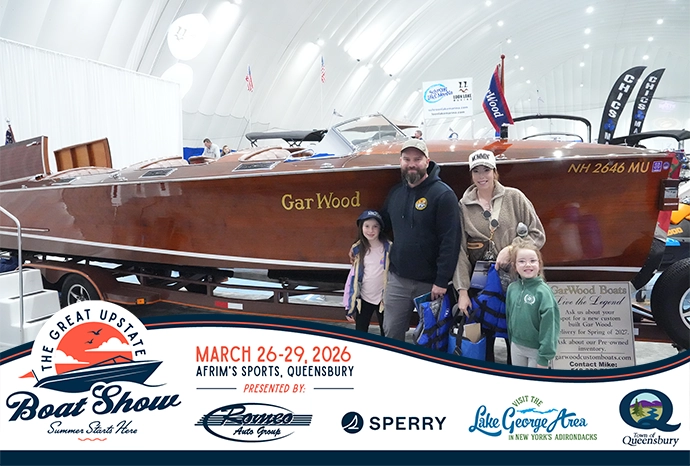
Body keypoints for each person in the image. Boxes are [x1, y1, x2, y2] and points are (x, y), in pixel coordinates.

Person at [452, 149, 546, 362]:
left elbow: (537, 234)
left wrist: (512, 250)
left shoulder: (515, 197)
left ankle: (516, 377)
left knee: (517, 337)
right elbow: (460, 251)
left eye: (486, 170)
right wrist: (462, 292)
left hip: (515, 281)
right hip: (479, 285)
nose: (481, 176)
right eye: (476, 171)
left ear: (495, 171)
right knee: (481, 340)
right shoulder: (463, 206)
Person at [380, 138, 461, 341]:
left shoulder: (443, 194)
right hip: (398, 280)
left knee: (433, 339)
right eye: (407, 159)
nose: (412, 164)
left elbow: (450, 241)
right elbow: (382, 224)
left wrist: (441, 280)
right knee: (391, 334)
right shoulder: (395, 193)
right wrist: (360, 240)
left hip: (431, 284)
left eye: (417, 159)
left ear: (427, 161)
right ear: (400, 162)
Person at [505, 238, 560, 368]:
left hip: (536, 350)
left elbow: (550, 327)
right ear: (514, 266)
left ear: (539, 264)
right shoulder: (512, 288)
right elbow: (509, 317)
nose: (527, 265)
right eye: (521, 261)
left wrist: (544, 357)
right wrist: (512, 340)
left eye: (532, 261)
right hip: (516, 346)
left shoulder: (543, 292)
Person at [344, 210, 391, 335]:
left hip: (383, 300)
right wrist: (349, 306)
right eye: (367, 226)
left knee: (385, 333)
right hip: (364, 298)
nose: (371, 230)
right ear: (361, 228)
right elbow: (352, 279)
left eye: (375, 226)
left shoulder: (389, 248)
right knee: (361, 332)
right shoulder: (358, 249)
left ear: (380, 228)